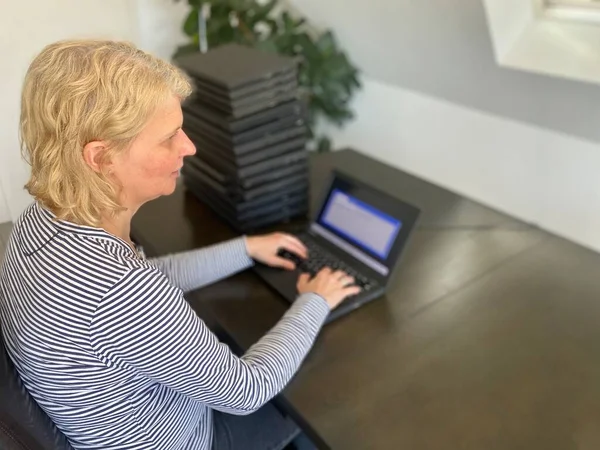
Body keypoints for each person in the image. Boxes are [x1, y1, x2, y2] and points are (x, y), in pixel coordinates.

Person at [0, 39, 361, 450]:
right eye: (168, 137)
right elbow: (247, 390)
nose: (188, 146)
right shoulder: (122, 290)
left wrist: (245, 248)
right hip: (188, 439)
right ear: (101, 158)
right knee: (326, 400)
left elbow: (148, 283)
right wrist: (315, 300)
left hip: (107, 426)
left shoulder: (36, 223)